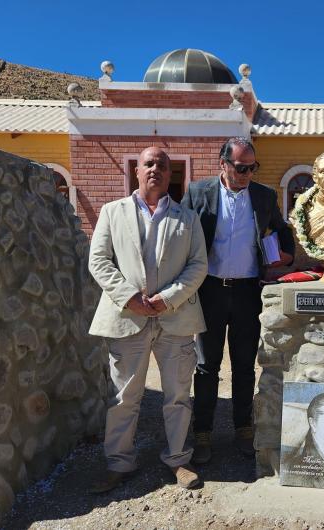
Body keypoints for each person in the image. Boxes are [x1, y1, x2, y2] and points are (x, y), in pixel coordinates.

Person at [88, 147, 207, 492]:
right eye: (149, 163)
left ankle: (179, 460)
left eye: (162, 165)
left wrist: (168, 298)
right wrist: (129, 297)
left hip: (176, 318)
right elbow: (99, 261)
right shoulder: (112, 212)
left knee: (178, 396)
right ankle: (119, 463)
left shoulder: (188, 219)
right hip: (127, 317)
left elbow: (198, 265)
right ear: (136, 171)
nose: (155, 169)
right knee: (123, 396)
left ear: (171, 174)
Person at [181, 137, 295, 463]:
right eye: (241, 167)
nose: (247, 173)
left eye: (252, 167)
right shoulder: (198, 193)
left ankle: (244, 429)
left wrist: (286, 254)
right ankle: (202, 433)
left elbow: (281, 229)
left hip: (247, 292)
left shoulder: (263, 196)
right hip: (210, 291)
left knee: (245, 365)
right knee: (206, 367)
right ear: (224, 164)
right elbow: (183, 235)